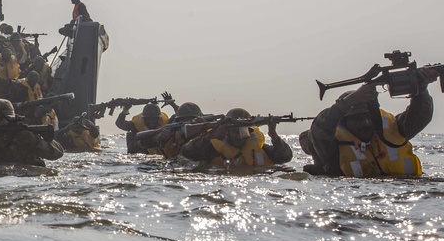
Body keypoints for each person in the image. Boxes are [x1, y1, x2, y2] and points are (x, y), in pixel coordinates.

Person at [308, 74, 436, 177]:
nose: (366, 123)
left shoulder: (395, 128)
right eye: (357, 118)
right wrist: (352, 99)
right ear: (344, 121)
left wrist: (421, 88)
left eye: (368, 117)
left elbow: (421, 115)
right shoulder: (331, 146)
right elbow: (320, 127)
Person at [181, 108, 293, 169]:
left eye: (244, 131)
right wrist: (209, 136)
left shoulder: (256, 146)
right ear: (227, 132)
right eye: (235, 131)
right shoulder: (214, 149)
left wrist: (274, 136)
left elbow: (285, 157)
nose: (240, 136)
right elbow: (188, 153)